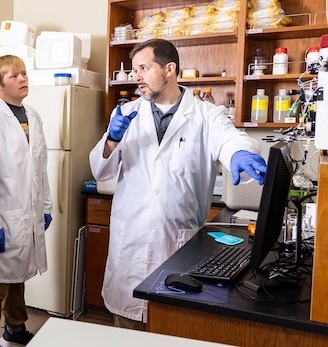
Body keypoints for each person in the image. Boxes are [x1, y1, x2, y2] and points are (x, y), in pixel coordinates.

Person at [89, 39, 267, 330]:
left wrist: (241, 153)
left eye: (144, 68)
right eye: (135, 70)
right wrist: (111, 138)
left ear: (169, 69)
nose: (137, 76)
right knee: (127, 328)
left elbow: (230, 138)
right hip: (130, 244)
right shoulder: (128, 114)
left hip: (177, 245)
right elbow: (101, 170)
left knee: (172, 326)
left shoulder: (206, 116)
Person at [0, 55, 53, 347]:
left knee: (19, 275)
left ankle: (15, 329)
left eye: (24, 73)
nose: (23, 79)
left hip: (28, 212)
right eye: (15, 75)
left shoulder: (33, 116)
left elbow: (40, 167)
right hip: (3, 216)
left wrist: (45, 207)